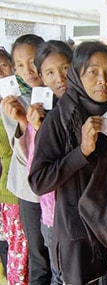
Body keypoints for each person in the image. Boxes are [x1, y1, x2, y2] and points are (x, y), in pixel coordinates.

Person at [28, 41, 107, 285]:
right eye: (93, 72)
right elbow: (38, 181)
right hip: (77, 233)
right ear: (77, 75)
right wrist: (82, 152)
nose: (103, 80)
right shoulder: (59, 120)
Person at [1, 33, 52, 285]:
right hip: (29, 190)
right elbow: (21, 155)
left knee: (58, 256)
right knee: (38, 255)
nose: (28, 70)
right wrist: (24, 121)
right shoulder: (12, 100)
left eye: (32, 61)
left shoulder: (57, 93)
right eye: (19, 65)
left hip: (58, 190)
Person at [26, 40, 73, 285]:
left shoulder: (90, 107)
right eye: (50, 72)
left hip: (87, 214)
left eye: (65, 68)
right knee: (61, 277)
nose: (59, 78)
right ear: (41, 77)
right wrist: (37, 129)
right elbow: (35, 175)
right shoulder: (40, 116)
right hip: (55, 216)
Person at [0, 46, 26, 284]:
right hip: (9, 193)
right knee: (15, 254)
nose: (1, 72)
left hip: (19, 190)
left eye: (5, 65)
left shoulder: (26, 98)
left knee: (20, 254)